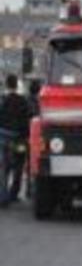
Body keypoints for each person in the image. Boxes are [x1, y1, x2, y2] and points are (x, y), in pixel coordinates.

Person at [0, 74, 32, 205]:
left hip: (3, 137)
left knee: (4, 167)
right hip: (19, 139)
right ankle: (14, 193)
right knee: (19, 165)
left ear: (7, 84)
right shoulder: (23, 101)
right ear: (16, 84)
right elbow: (27, 119)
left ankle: (3, 195)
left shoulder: (2, 100)